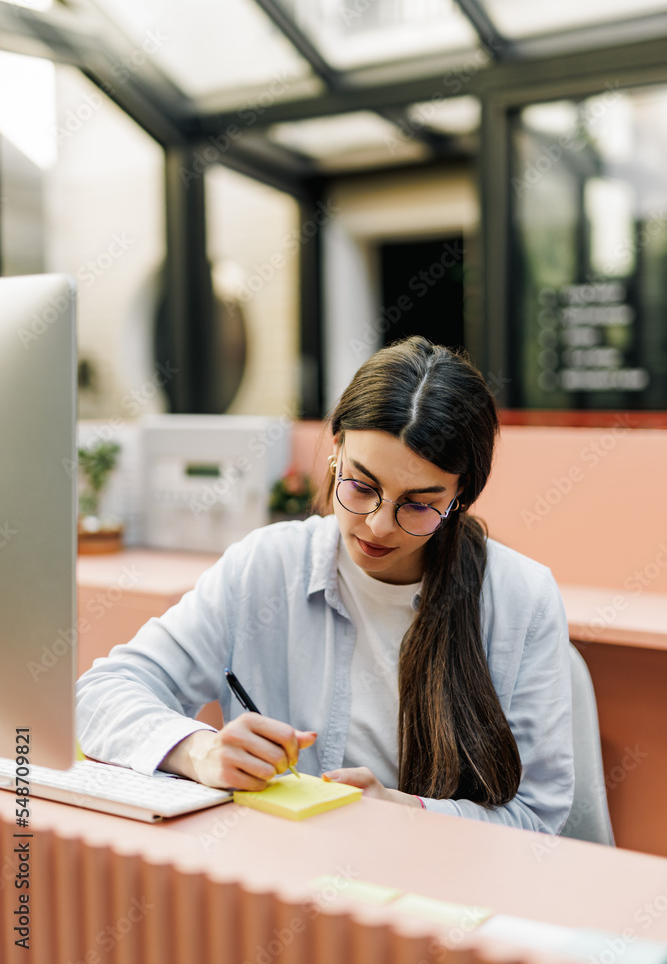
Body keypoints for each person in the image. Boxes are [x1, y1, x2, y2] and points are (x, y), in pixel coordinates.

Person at [76, 336, 573, 832]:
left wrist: (404, 813)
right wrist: (199, 750)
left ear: (461, 495)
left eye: (419, 504)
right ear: (336, 451)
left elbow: (537, 817)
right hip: (282, 874)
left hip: (439, 888)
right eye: (361, 486)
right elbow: (99, 694)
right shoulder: (266, 567)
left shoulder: (519, 599)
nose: (378, 526)